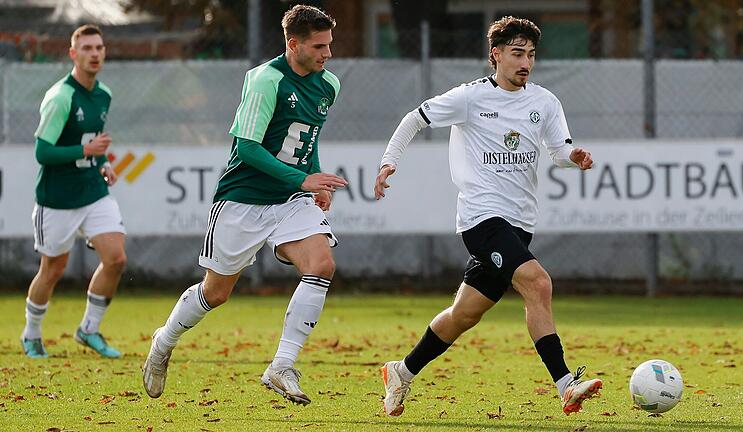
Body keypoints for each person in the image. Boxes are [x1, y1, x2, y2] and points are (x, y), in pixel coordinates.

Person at [375, 16, 601, 417]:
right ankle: (566, 384)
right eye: (516, 53)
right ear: (495, 55)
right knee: (538, 282)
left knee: (464, 314)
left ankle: (402, 371)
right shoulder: (470, 97)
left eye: (530, 54)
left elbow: (558, 150)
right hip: (481, 217)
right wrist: (389, 162)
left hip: (520, 222)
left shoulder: (545, 102)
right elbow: (416, 118)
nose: (525, 62)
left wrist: (574, 158)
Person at [142, 5, 347, 405]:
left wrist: (315, 179)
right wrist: (303, 178)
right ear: (293, 45)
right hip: (242, 199)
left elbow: (307, 137)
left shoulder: (329, 84)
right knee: (215, 293)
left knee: (322, 265)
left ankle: (281, 366)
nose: (328, 54)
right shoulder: (265, 80)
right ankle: (163, 342)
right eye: (319, 46)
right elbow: (247, 148)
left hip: (289, 198)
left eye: (329, 45)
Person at [22, 24, 126, 359]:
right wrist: (88, 152)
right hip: (58, 199)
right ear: (73, 54)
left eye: (99, 47)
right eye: (86, 48)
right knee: (52, 269)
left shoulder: (104, 94)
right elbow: (43, 152)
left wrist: (102, 163)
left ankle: (89, 329)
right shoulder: (61, 96)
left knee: (116, 258)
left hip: (93, 191)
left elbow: (91, 142)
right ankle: (31, 334)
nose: (94, 53)